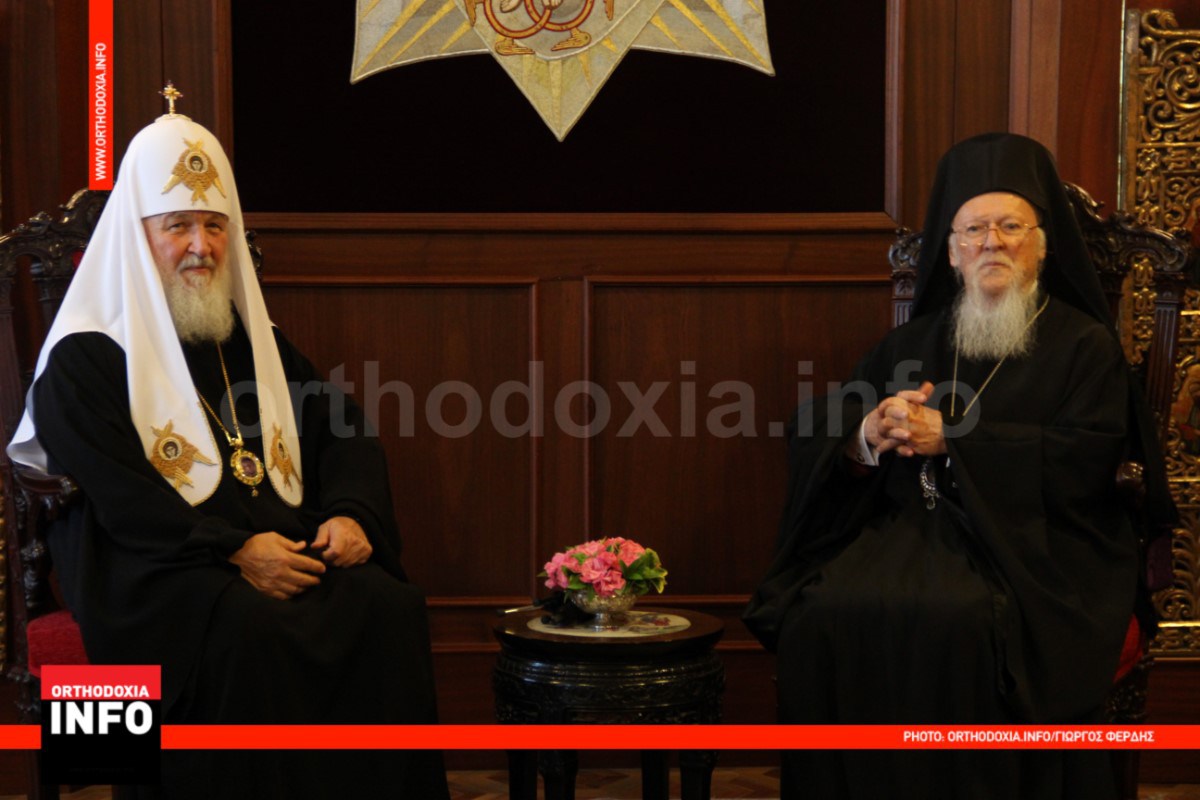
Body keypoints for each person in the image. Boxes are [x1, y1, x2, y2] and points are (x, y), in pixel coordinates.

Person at [7, 99, 450, 799]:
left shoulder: (251, 338)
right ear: (137, 235)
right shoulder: (82, 358)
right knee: (248, 627)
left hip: (276, 541)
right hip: (146, 563)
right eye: (177, 225)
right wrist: (231, 550)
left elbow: (342, 426)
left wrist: (351, 512)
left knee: (388, 608)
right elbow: (122, 494)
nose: (201, 246)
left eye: (215, 226)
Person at [744, 133, 1176, 799]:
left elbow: (1088, 457)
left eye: (1011, 227)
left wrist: (955, 440)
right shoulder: (912, 342)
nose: (992, 243)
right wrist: (868, 431)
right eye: (974, 229)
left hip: (1036, 551)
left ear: (1041, 244)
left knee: (960, 621)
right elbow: (818, 426)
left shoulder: (1084, 347)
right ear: (951, 252)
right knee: (825, 609)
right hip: (908, 534)